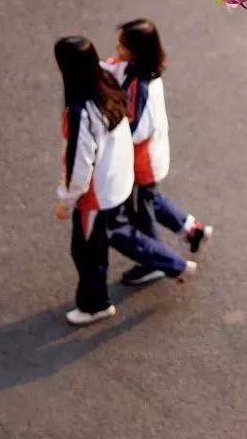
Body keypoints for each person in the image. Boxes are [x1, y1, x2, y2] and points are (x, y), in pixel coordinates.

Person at [54, 36, 196, 326]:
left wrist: (66, 202)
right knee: (119, 233)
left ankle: (95, 305)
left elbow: (79, 166)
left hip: (95, 195)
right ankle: (174, 264)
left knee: (87, 252)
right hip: (118, 181)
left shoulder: (80, 111)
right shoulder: (107, 83)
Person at [103, 18, 212, 286]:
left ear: (136, 51)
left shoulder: (139, 85)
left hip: (143, 162)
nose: (117, 48)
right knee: (150, 199)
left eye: (123, 45)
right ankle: (191, 230)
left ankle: (152, 262)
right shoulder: (146, 73)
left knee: (141, 212)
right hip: (152, 157)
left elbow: (136, 129)